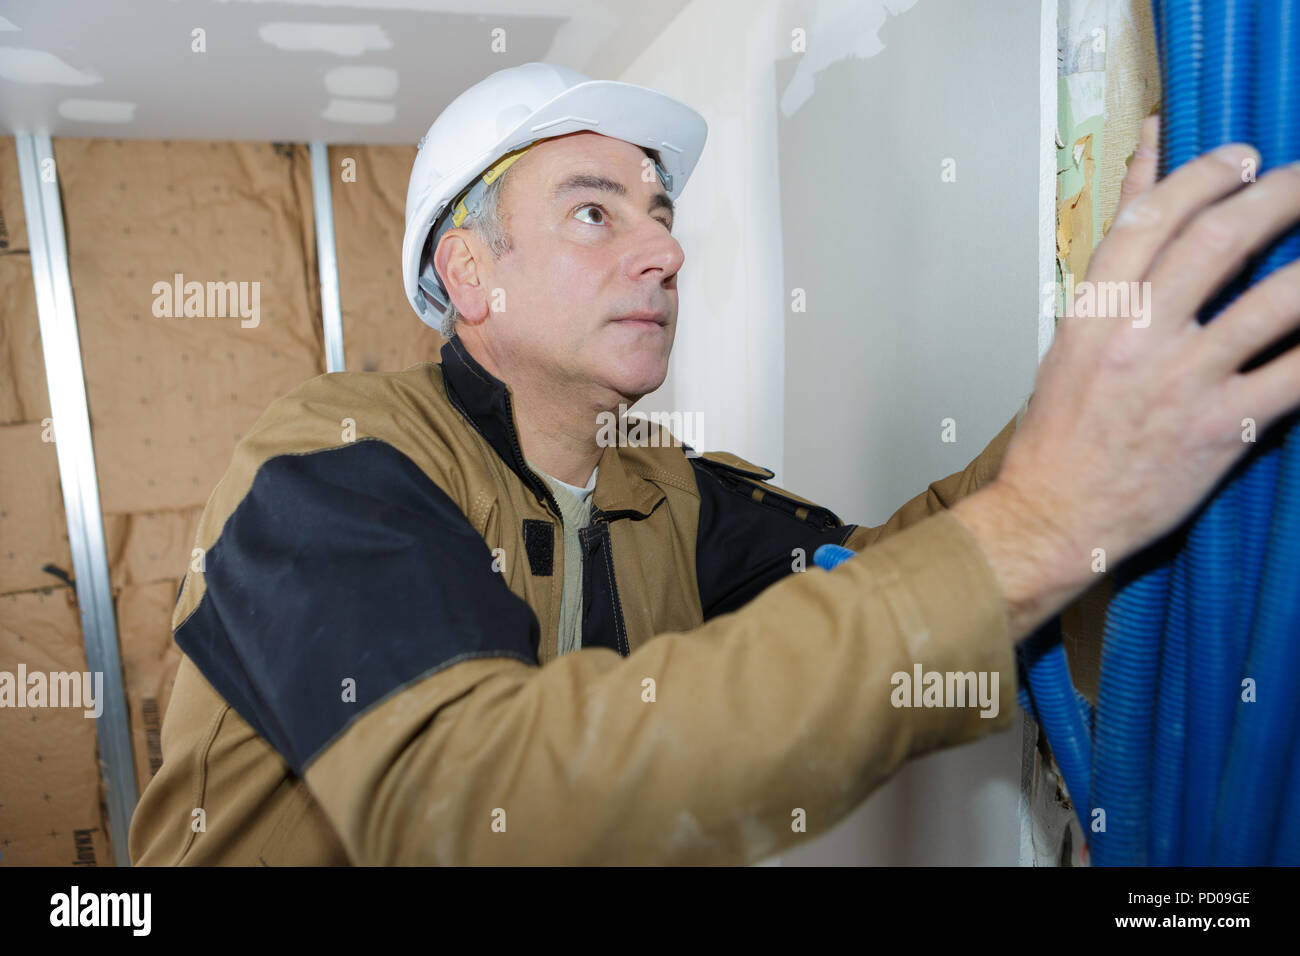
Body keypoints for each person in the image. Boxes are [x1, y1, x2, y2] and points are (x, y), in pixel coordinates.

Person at [128, 62, 1300, 865]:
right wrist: (1041, 524)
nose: (668, 247)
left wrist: (1090, 410)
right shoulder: (331, 466)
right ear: (471, 273)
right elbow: (469, 804)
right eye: (597, 213)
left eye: (659, 208)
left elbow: (886, 574)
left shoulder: (660, 488)